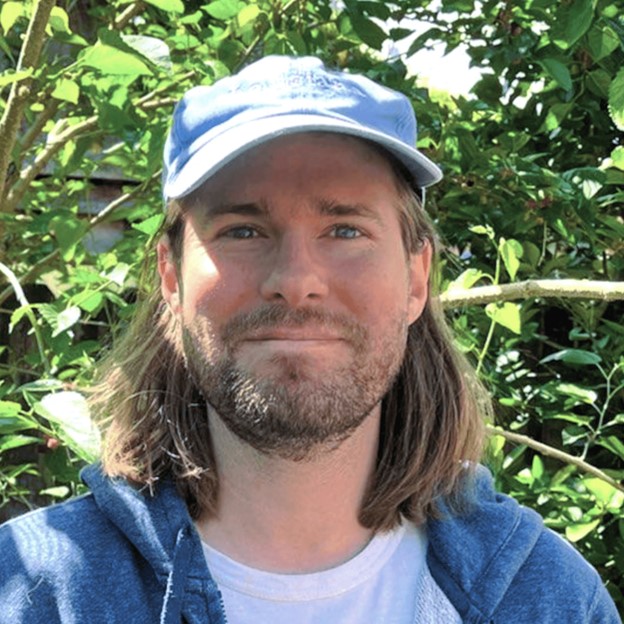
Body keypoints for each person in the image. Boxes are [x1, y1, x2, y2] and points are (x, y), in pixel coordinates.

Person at [0, 56, 619, 624]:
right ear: (170, 277)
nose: (295, 281)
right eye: (243, 230)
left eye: (345, 230)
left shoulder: (550, 600)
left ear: (416, 279)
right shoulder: (37, 593)